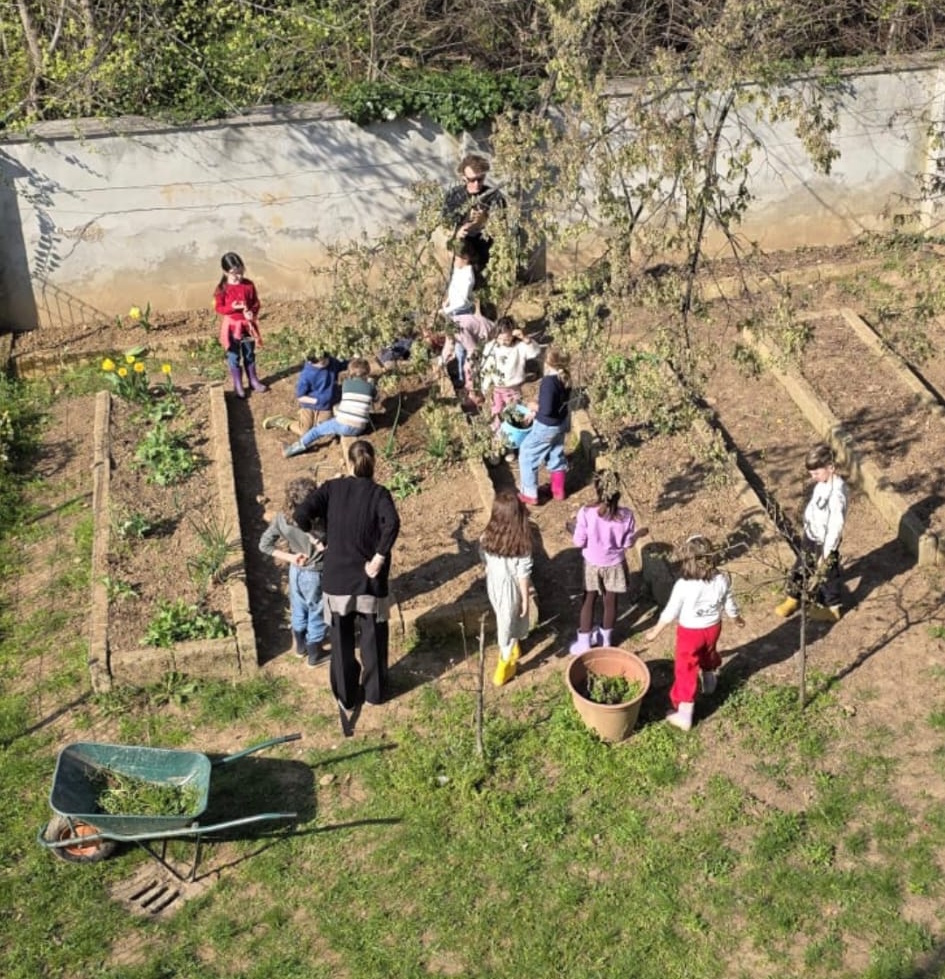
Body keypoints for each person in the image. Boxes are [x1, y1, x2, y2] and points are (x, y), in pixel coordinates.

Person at [293, 440, 401, 710]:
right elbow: (392, 524)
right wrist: (378, 557)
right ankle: (375, 693)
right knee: (373, 639)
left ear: (349, 463)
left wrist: (317, 539)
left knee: (340, 642)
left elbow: (300, 514)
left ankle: (346, 695)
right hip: (368, 582)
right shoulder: (379, 494)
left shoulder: (331, 489)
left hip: (337, 580)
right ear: (373, 463)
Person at [644, 535, 745, 732]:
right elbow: (729, 602)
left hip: (690, 633)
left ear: (688, 560)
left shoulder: (683, 585)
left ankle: (684, 713)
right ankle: (709, 682)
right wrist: (736, 618)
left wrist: (655, 632)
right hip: (713, 628)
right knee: (708, 652)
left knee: (686, 668)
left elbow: (670, 611)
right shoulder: (721, 579)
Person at [569, 470, 647, 655]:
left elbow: (579, 541)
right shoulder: (627, 515)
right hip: (615, 565)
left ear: (597, 489)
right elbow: (626, 543)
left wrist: (572, 529)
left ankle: (584, 643)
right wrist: (638, 534)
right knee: (610, 602)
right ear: (617, 491)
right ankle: (606, 641)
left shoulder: (586, 513)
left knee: (588, 601)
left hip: (592, 564)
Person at [259, 478, 329, 668]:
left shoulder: (282, 519)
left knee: (298, 607)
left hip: (295, 571)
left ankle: (300, 647)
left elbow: (264, 544)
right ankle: (315, 652)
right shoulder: (319, 522)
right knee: (318, 610)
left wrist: (290, 558)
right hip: (316, 574)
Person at [775, 442, 848, 622]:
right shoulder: (821, 484)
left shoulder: (837, 494)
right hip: (812, 534)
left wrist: (828, 551)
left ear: (830, 468)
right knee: (801, 564)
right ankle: (794, 596)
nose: (813, 476)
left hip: (825, 541)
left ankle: (832, 607)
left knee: (827, 574)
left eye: (816, 473)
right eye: (811, 473)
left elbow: (835, 526)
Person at [479, 489, 533, 687]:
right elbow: (523, 574)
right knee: (507, 622)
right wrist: (526, 600)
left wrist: (488, 567)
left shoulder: (487, 536)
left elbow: (482, 554)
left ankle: (513, 646)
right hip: (511, 588)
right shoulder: (522, 543)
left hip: (494, 583)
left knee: (503, 615)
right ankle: (504, 664)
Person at [283, 358, 377, 458]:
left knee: (316, 431)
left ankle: (292, 449)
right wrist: (371, 383)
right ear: (367, 373)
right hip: (359, 428)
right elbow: (375, 398)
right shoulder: (370, 387)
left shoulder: (346, 384)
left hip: (342, 423)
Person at [517, 347, 571, 506]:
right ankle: (558, 489)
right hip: (560, 424)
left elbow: (546, 409)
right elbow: (557, 405)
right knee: (555, 452)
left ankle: (529, 494)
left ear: (547, 363)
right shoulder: (565, 378)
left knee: (527, 454)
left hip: (546, 427)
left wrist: (534, 407)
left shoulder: (548, 382)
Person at [442, 153, 506, 279]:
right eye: (472, 180)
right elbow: (445, 224)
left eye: (480, 179)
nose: (476, 184)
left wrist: (484, 220)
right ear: (464, 178)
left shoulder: (493, 196)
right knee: (460, 253)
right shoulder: (455, 195)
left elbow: (501, 227)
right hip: (460, 246)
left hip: (486, 247)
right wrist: (458, 230)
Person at [214, 252, 268, 398]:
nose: (238, 276)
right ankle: (238, 384)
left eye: (240, 272)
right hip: (232, 328)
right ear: (225, 272)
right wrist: (232, 307)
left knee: (249, 353)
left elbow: (255, 303)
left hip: (247, 326)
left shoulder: (248, 285)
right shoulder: (222, 289)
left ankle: (253, 380)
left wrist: (252, 313)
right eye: (234, 273)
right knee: (234, 355)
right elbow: (219, 308)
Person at [263, 351, 349, 436]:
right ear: (311, 362)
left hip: (326, 406)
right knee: (304, 431)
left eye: (327, 360)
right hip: (310, 405)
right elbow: (301, 396)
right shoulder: (307, 375)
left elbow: (342, 365)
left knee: (323, 429)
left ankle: (309, 418)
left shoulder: (332, 362)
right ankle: (283, 421)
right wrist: (317, 401)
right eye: (323, 363)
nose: (327, 363)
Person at [480, 316, 542, 428]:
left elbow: (535, 352)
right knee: (496, 414)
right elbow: (486, 369)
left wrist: (525, 338)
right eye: (500, 339)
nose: (503, 342)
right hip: (496, 389)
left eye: (507, 339)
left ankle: (511, 437)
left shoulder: (520, 347)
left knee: (513, 415)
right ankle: (497, 435)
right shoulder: (491, 347)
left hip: (513, 389)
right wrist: (485, 388)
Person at [440, 240, 476, 320]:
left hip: (461, 312)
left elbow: (462, 302)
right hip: (452, 308)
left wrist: (445, 311)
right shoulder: (458, 269)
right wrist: (448, 301)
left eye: (456, 259)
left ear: (465, 259)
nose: (454, 262)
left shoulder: (467, 276)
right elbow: (454, 287)